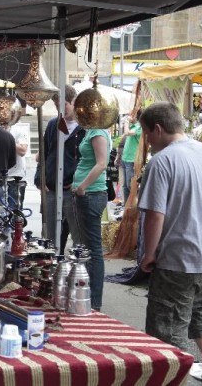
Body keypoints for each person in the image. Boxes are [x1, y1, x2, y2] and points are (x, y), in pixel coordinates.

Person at [138, 102, 202, 365]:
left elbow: (155, 215)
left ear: (158, 129)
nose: (147, 140)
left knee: (168, 324)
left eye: (146, 133)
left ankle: (176, 376)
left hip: (180, 258)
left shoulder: (162, 161)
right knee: (201, 308)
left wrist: (149, 253)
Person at [34, 86, 85, 251]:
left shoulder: (84, 127)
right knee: (50, 234)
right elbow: (44, 153)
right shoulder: (53, 124)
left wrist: (80, 181)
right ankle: (53, 259)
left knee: (76, 232)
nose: (60, 110)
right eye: (57, 106)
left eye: (64, 105)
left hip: (72, 187)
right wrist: (40, 178)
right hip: (51, 186)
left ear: (74, 102)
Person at [71, 116, 111, 312]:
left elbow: (102, 163)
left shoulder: (97, 132)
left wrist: (83, 187)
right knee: (88, 247)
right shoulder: (92, 131)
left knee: (93, 250)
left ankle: (94, 301)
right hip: (88, 193)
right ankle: (89, 298)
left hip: (91, 194)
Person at [119, 110, 142, 204]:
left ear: (136, 116)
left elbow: (127, 133)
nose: (129, 116)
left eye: (131, 114)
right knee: (125, 186)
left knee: (130, 185)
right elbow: (124, 135)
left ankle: (133, 206)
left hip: (132, 160)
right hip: (125, 159)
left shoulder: (139, 127)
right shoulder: (134, 126)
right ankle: (126, 206)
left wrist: (127, 122)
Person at [7, 122, 30, 208]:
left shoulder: (18, 130)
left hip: (15, 177)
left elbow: (23, 151)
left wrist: (4, 139)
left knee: (15, 211)